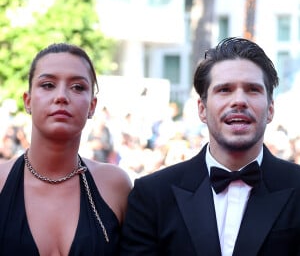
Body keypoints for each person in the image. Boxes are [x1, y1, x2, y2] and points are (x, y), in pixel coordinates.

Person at [120, 37, 300, 255]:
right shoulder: (152, 196)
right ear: (202, 109)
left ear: (270, 109)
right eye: (224, 89)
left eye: (252, 89)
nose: (239, 101)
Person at [0, 43, 132, 255]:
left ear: (92, 106)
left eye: (78, 87)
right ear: (28, 100)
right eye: (48, 85)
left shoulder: (115, 186)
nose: (61, 96)